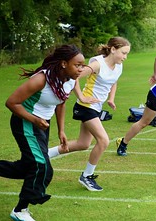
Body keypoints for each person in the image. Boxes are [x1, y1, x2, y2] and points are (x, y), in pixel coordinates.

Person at [0, 45, 84, 221]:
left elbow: (61, 103)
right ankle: (20, 210)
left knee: (28, 167)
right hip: (25, 121)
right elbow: (11, 103)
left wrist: (61, 130)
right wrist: (34, 120)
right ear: (64, 63)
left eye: (82, 65)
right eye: (77, 65)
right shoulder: (41, 80)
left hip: (42, 124)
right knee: (41, 166)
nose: (81, 69)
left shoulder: (70, 80)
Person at [47, 37, 131, 191]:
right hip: (86, 107)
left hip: (95, 108)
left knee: (83, 144)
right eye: (123, 53)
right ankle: (86, 176)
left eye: (127, 54)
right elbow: (75, 75)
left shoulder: (118, 65)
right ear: (113, 50)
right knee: (104, 140)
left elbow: (114, 81)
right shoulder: (97, 64)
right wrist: (81, 96)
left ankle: (45, 155)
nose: (125, 57)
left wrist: (111, 99)